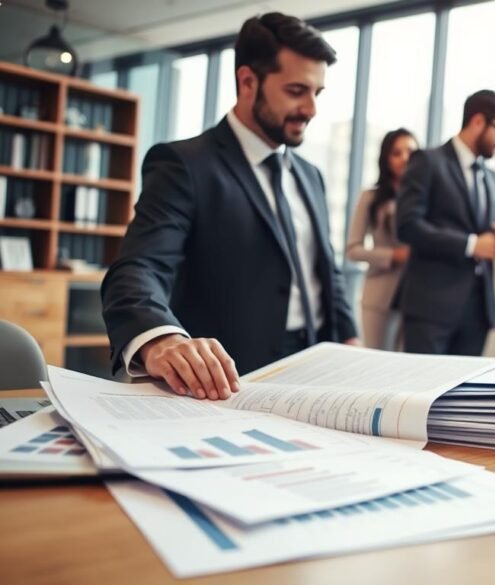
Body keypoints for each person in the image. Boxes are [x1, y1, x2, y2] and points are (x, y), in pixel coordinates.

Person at [101, 13, 358, 400]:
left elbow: (326, 272)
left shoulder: (312, 177)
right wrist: (164, 340)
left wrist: (352, 340)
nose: (311, 109)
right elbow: (139, 268)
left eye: (316, 93)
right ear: (248, 81)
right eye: (295, 91)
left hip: (318, 371)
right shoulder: (183, 164)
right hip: (228, 382)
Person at [396, 90, 495, 356]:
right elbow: (408, 225)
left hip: (478, 313)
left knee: (464, 396)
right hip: (431, 308)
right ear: (477, 122)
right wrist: (471, 245)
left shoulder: (494, 180)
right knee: (423, 393)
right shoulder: (427, 162)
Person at [346, 128, 418, 350]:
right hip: (380, 296)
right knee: (377, 363)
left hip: (415, 296)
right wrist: (394, 255)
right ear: (386, 159)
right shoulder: (371, 197)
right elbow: (352, 250)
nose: (404, 158)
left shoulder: (425, 198)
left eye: (410, 151)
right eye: (397, 153)